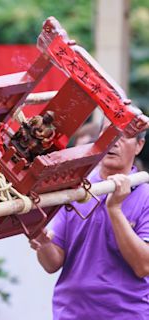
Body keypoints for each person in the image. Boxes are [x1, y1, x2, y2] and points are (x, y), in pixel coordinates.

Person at [30, 121, 149, 319]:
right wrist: (42, 241)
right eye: (109, 134)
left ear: (139, 145)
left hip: (127, 314)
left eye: (125, 136)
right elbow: (52, 264)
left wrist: (114, 209)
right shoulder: (75, 189)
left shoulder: (146, 196)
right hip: (70, 313)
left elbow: (143, 266)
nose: (114, 142)